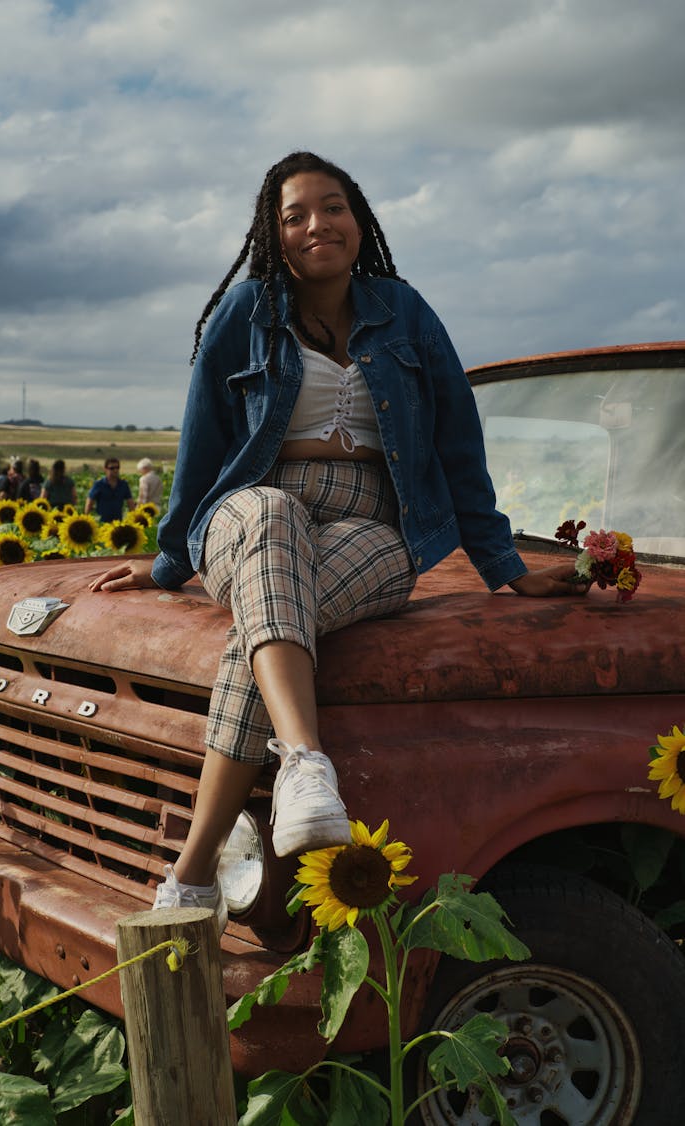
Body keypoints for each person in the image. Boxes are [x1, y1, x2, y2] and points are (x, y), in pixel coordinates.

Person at [89, 151, 588, 928]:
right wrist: (166, 566)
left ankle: (191, 878)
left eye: (334, 208)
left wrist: (505, 566)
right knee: (271, 521)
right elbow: (202, 439)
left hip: (377, 526)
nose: (317, 224)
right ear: (274, 233)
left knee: (259, 634)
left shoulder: (406, 312)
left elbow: (459, 439)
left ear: (359, 221)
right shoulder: (245, 312)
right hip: (252, 509)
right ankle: (306, 765)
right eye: (295, 215)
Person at [84, 458, 134, 522]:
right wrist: (86, 518)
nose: (115, 470)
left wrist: (132, 518)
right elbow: (89, 502)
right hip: (102, 522)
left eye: (117, 467)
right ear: (105, 469)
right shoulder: (99, 484)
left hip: (117, 523)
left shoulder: (123, 484)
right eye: (112, 468)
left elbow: (130, 503)